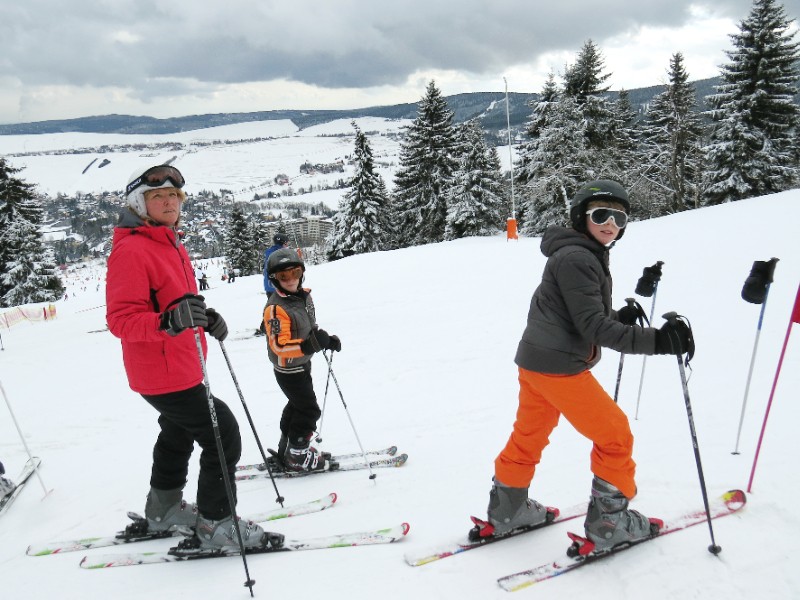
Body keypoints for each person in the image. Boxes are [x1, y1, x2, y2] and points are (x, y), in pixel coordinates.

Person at [483, 180, 693, 553]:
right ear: (582, 217)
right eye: (601, 215)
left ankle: (507, 509)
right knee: (615, 436)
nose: (610, 223)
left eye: (620, 217)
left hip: (536, 363)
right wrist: (660, 341)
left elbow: (581, 313)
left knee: (529, 434)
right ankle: (609, 524)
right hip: (559, 367)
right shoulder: (579, 258)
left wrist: (619, 316)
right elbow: (593, 327)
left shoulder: (576, 253)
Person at [106, 164, 273, 550]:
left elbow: (175, 302)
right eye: (157, 196)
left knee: (178, 432)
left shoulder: (168, 241)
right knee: (222, 432)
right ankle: (216, 523)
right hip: (160, 370)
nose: (168, 202)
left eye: (173, 196)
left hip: (180, 364)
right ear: (139, 204)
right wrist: (169, 322)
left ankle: (163, 511)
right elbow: (121, 320)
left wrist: (202, 317)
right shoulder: (132, 249)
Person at [262, 248, 341, 472]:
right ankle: (297, 455)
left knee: (297, 406)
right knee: (308, 410)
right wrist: (308, 345)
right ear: (274, 279)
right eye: (283, 276)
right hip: (288, 369)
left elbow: (310, 327)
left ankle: (288, 448)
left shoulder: (304, 297)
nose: (290, 280)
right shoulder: (275, 308)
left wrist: (324, 339)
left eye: (295, 272)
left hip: (302, 363)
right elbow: (279, 345)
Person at [255, 233, 290, 336]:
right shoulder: (278, 254)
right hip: (275, 285)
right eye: (286, 243)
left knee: (276, 306)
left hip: (271, 285)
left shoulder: (272, 252)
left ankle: (270, 326)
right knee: (275, 307)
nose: (287, 245)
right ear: (282, 243)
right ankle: (265, 328)